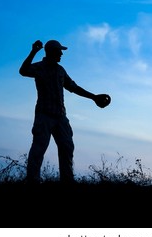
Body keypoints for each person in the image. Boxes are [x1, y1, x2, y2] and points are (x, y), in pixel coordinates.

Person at [19, 39, 111, 184]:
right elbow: (23, 71)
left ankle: (67, 181)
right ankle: (32, 180)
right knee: (39, 148)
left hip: (61, 117)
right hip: (44, 115)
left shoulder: (60, 70)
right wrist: (33, 52)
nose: (61, 53)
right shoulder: (40, 67)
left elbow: (73, 87)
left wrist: (94, 97)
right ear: (51, 52)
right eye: (59, 51)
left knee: (67, 147)